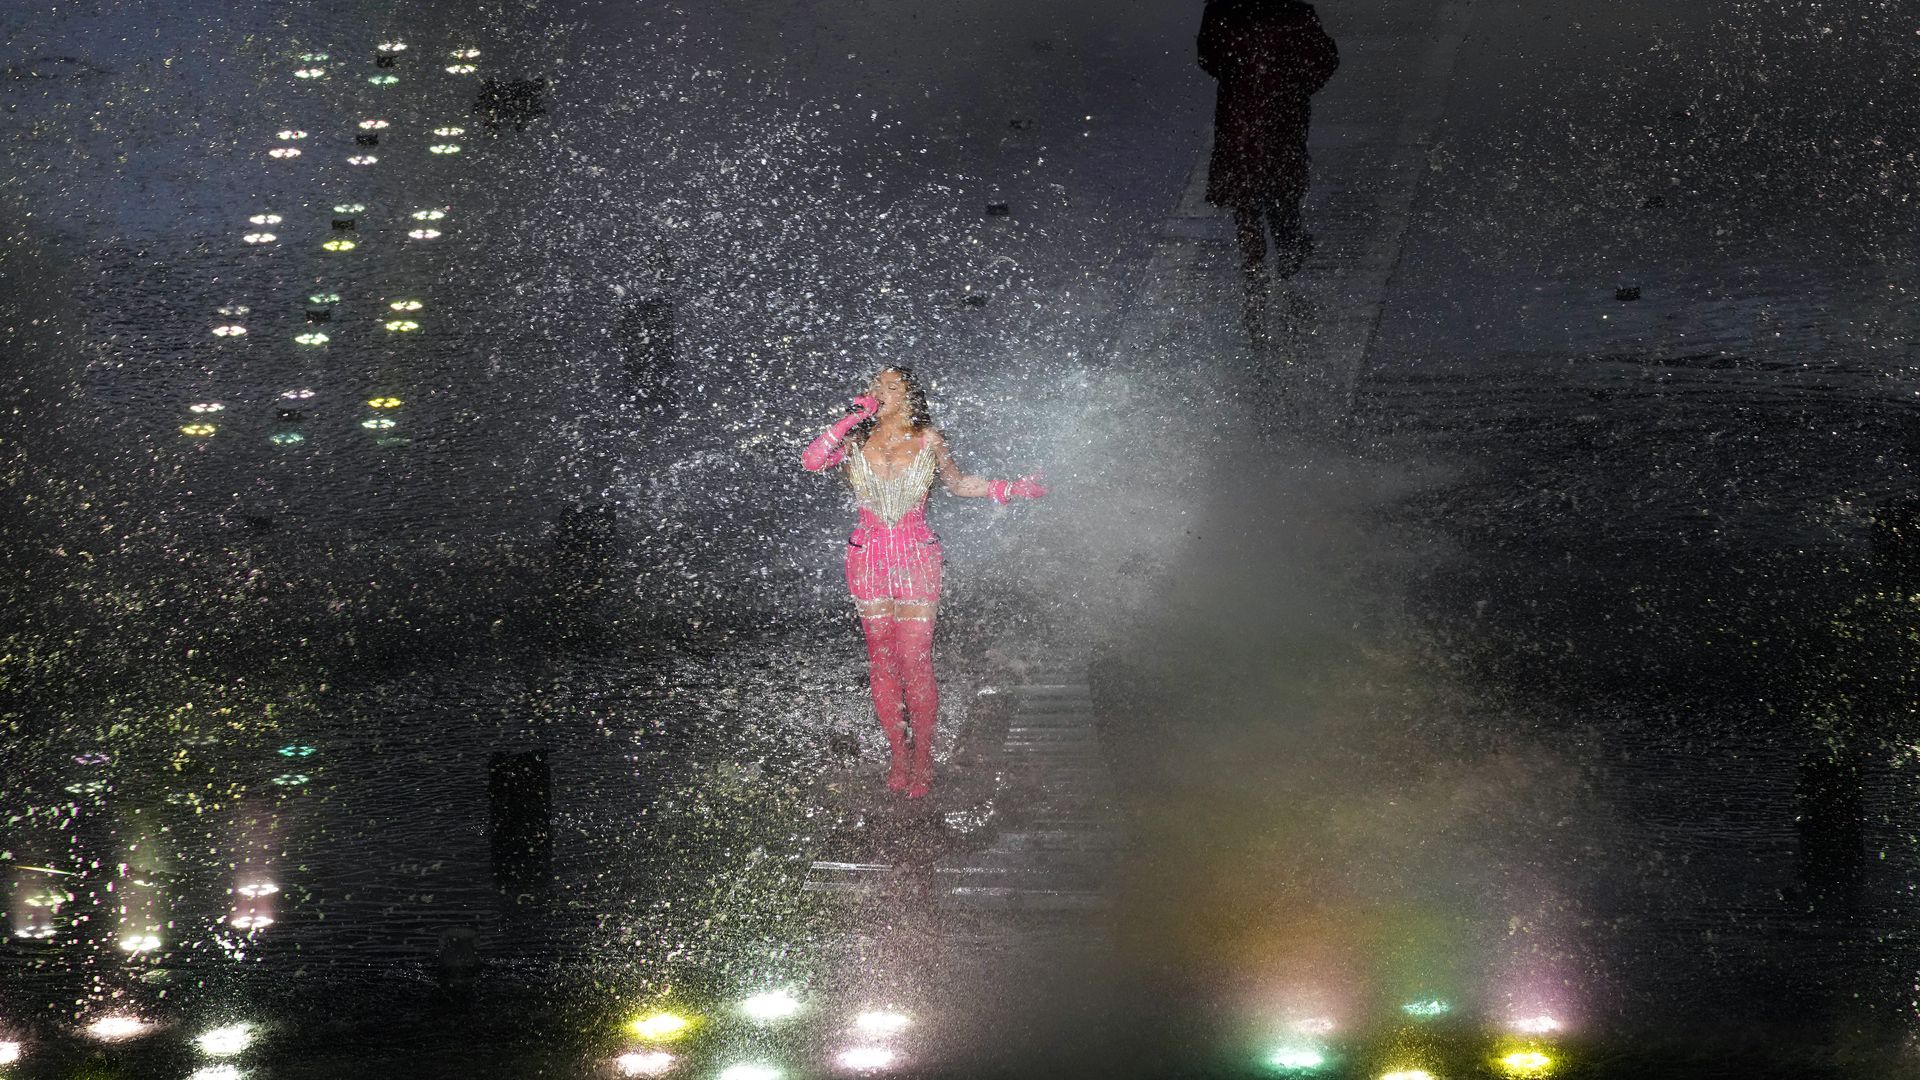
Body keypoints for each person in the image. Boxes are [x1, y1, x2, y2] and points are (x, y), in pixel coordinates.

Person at [801, 368, 1047, 799]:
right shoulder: (855, 440)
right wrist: (847, 420)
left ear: (910, 395)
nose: (879, 391)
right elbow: (811, 460)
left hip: (917, 557)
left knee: (915, 661)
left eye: (890, 386)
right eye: (875, 385)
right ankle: (899, 754)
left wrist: (1012, 488)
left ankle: (923, 759)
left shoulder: (929, 439)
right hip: (867, 559)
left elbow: (959, 484)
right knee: (882, 661)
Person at [1198, 0, 1339, 343]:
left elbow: (1208, 57)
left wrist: (1241, 74)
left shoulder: (1223, 12)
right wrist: (1295, 85)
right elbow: (1324, 60)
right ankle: (1286, 245)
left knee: (1246, 192)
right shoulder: (1294, 13)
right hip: (1281, 113)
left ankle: (1256, 264)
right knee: (1279, 186)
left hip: (1240, 115)